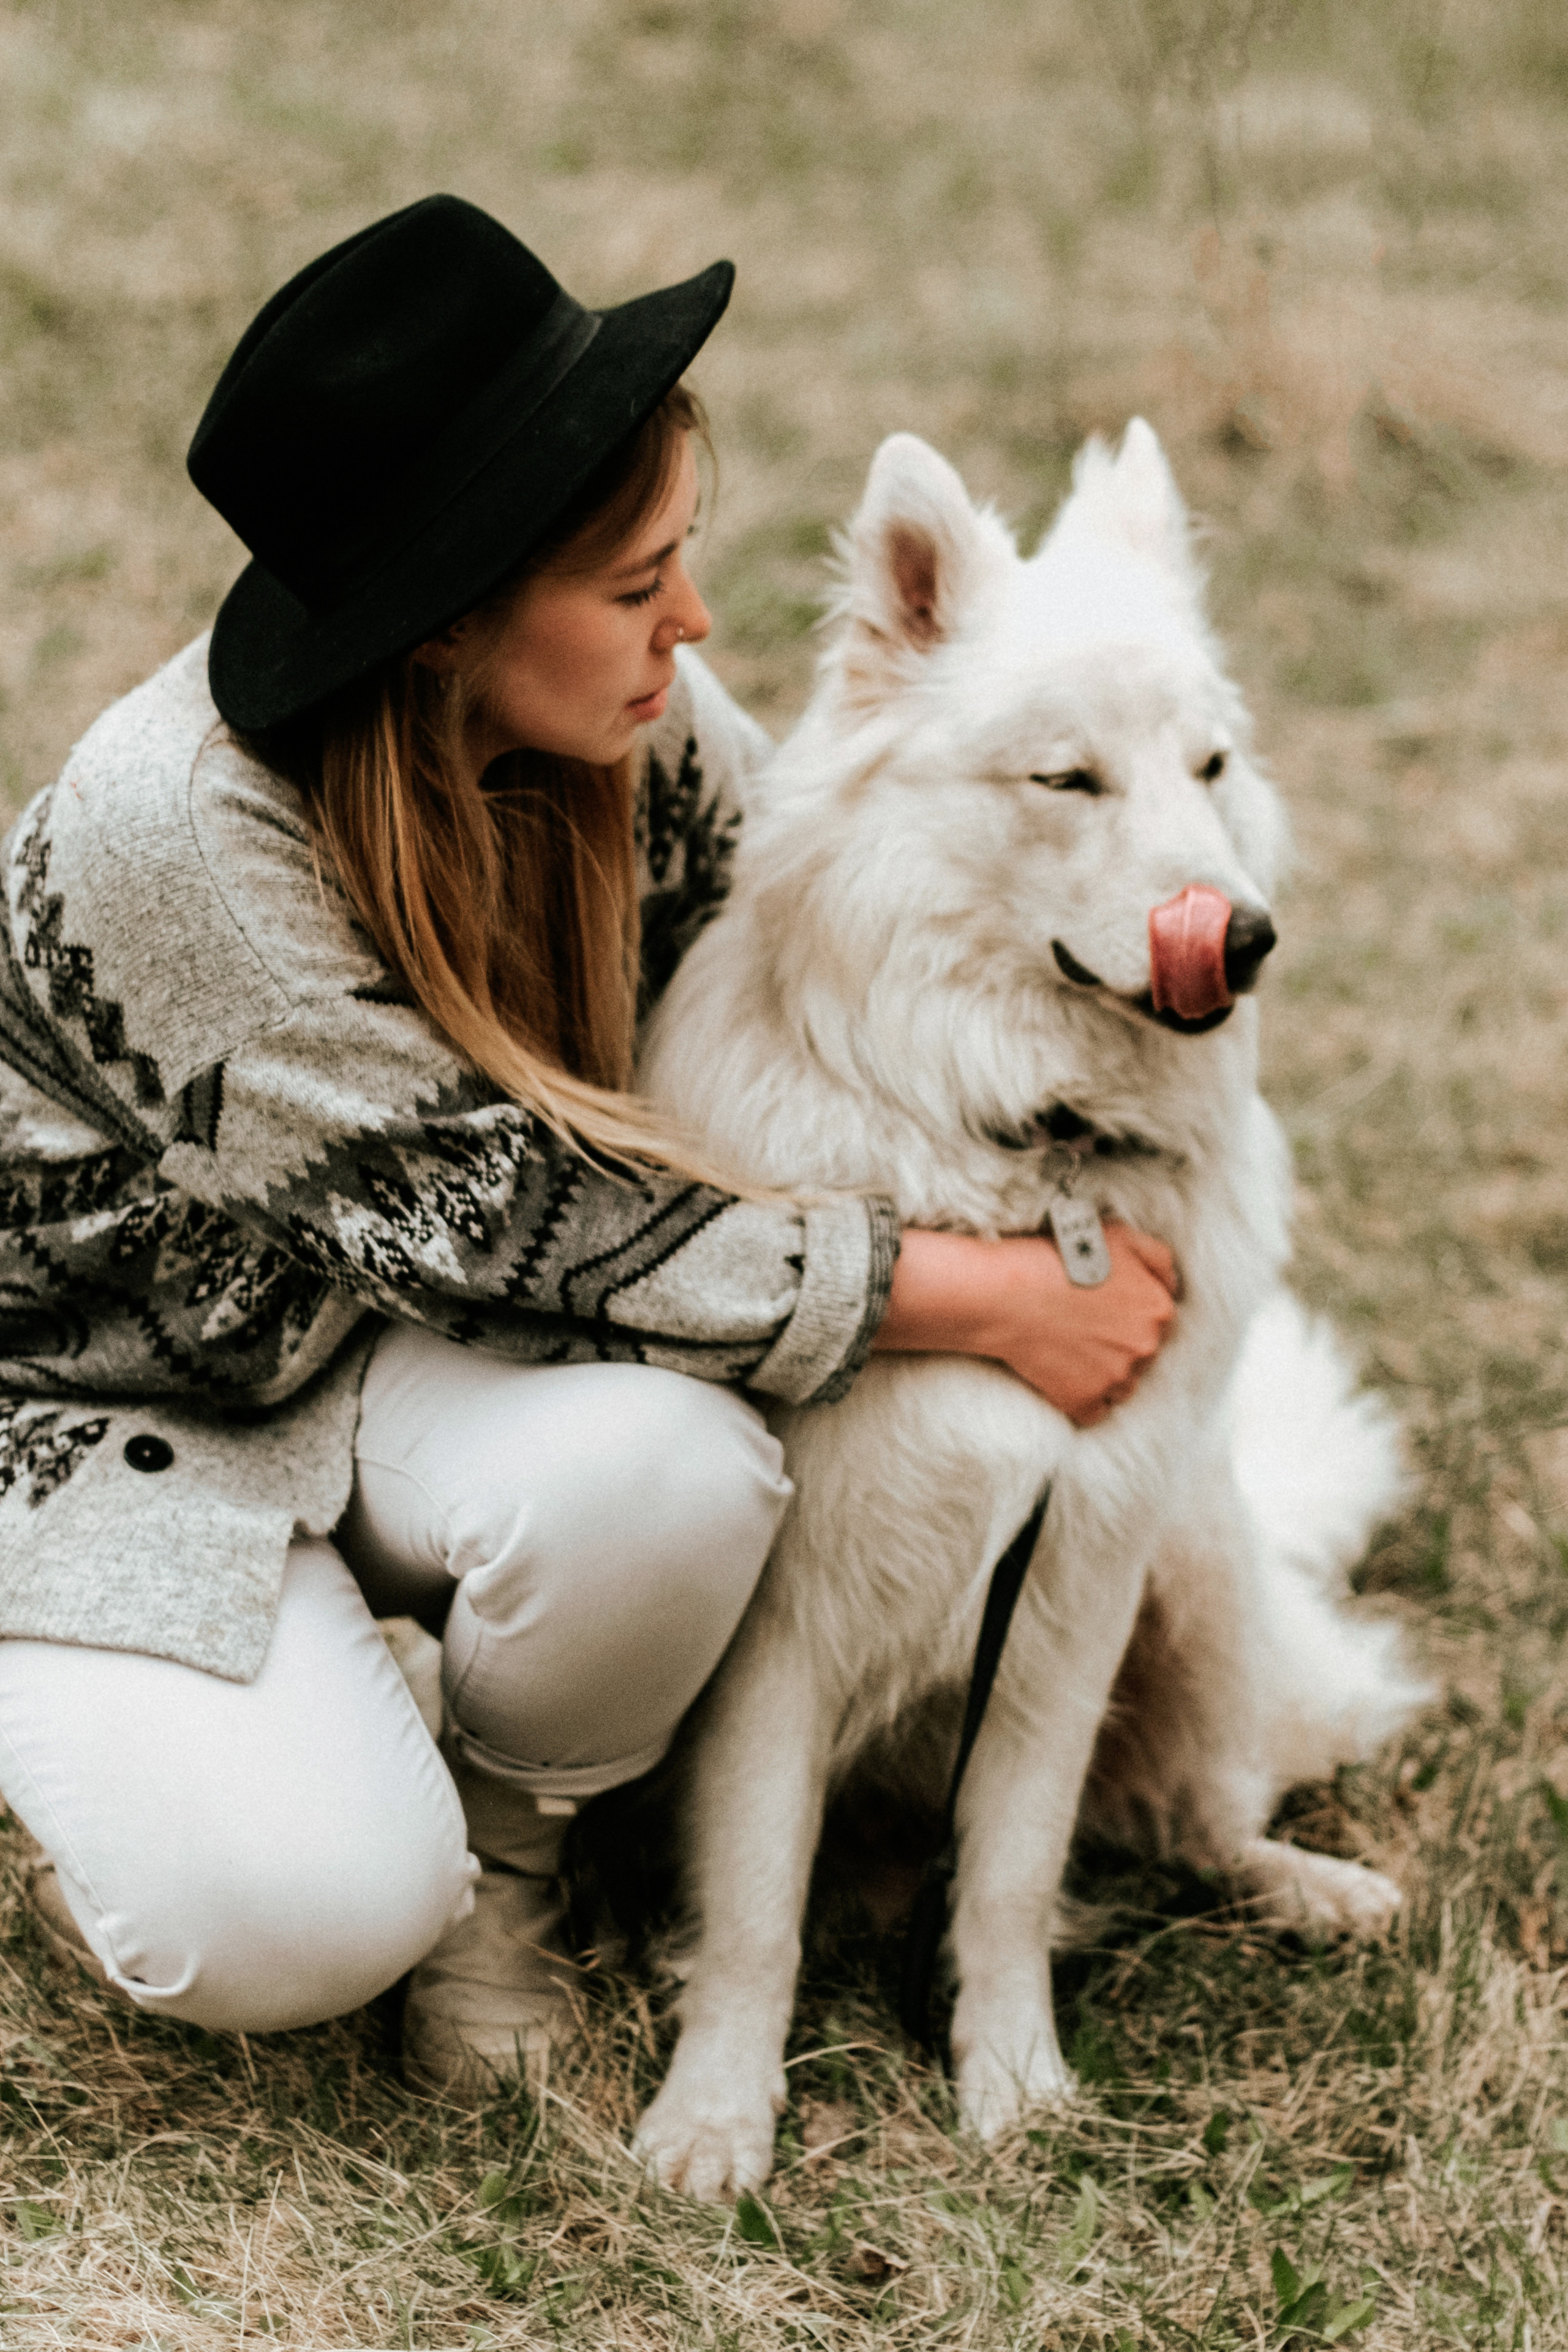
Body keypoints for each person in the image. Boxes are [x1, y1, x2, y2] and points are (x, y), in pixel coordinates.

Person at [0, 195, 1177, 2101]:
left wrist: (1097, 974)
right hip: (101, 1434)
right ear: (450, 619)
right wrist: (976, 1293)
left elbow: (814, 937)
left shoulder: (627, 726)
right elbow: (525, 1222)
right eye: (640, 588)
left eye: (678, 565)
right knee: (286, 1919)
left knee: (675, 1473)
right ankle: (146, 1748)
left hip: (383, 1364)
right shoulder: (186, 853)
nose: (693, 628)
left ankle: (508, 1859)